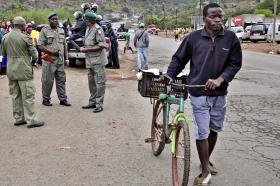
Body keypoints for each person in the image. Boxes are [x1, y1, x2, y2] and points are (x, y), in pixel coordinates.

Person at [165, 3, 242, 185]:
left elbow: (235, 64)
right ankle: (205, 172)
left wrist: (220, 79)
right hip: (198, 91)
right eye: (213, 16)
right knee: (202, 131)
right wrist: (170, 74)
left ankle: (205, 161)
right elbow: (179, 59)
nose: (217, 19)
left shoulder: (230, 38)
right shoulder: (193, 38)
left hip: (220, 93)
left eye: (220, 16)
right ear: (204, 19)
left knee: (214, 130)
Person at [1, 16, 44, 128]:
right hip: (24, 70)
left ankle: (19, 118)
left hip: (11, 70)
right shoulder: (26, 37)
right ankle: (32, 120)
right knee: (28, 95)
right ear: (22, 25)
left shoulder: (5, 37)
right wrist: (33, 61)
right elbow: (35, 55)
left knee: (15, 95)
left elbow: (4, 54)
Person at [38, 13, 71, 107]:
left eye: (56, 19)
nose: (55, 21)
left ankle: (63, 99)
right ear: (49, 20)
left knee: (61, 80)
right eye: (53, 19)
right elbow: (40, 45)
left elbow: (65, 45)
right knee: (47, 81)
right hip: (49, 60)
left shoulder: (61, 30)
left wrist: (67, 59)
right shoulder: (44, 31)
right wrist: (52, 52)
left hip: (60, 60)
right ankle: (46, 99)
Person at [80, 12, 107, 113]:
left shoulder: (98, 29)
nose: (84, 21)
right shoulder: (88, 28)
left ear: (91, 20)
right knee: (91, 83)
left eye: (86, 20)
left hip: (98, 61)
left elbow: (101, 45)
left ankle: (99, 104)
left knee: (100, 83)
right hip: (90, 61)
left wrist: (86, 50)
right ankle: (92, 102)